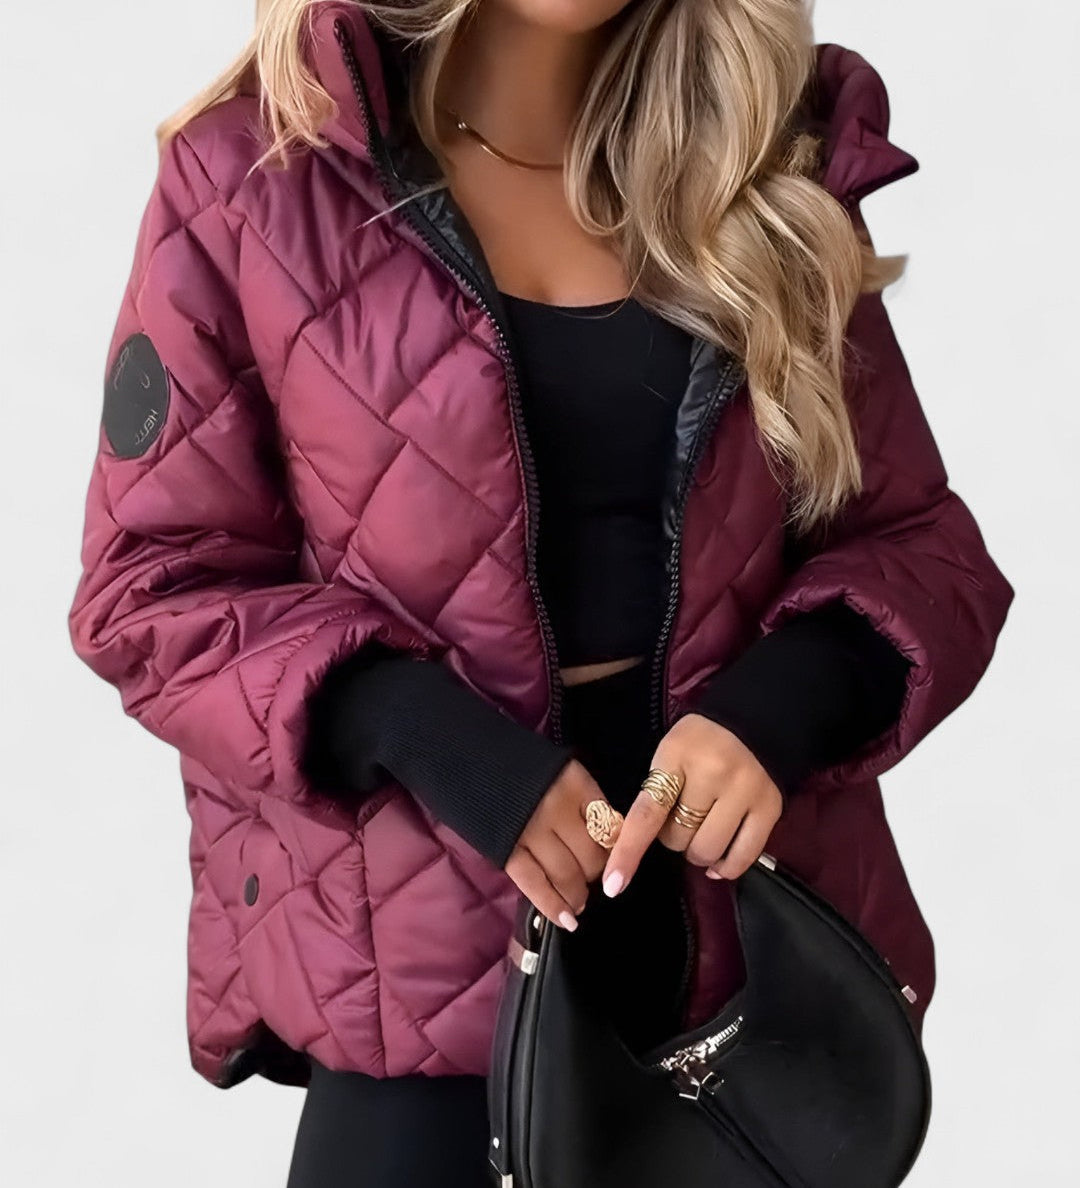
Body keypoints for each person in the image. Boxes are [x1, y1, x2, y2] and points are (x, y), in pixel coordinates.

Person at [67, 2, 1014, 1185]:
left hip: (732, 986)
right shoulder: (259, 180)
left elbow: (918, 549)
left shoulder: (766, 161)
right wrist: (436, 740)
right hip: (424, 979)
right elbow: (153, 586)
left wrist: (774, 712)